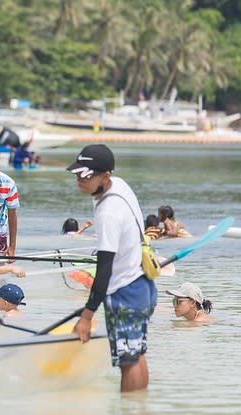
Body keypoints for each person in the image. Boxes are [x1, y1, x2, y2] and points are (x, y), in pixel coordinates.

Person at [67, 143, 157, 393]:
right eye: (77, 174)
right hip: (143, 285)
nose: (79, 181)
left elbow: (104, 268)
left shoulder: (108, 212)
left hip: (124, 291)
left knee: (127, 362)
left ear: (105, 175)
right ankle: (138, 409)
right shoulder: (120, 186)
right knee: (136, 354)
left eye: (85, 176)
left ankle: (130, 408)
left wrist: (87, 315)